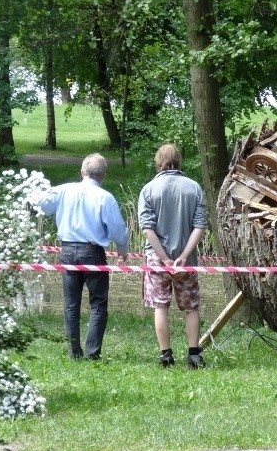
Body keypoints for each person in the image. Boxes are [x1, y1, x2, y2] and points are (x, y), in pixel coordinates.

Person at [37, 153, 129, 360]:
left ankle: (73, 352)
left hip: (67, 251)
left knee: (71, 303)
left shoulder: (64, 190)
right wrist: (123, 248)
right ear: (103, 175)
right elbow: (117, 228)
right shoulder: (105, 197)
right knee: (97, 303)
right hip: (92, 253)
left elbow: (42, 205)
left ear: (82, 172)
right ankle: (92, 353)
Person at [138, 144, 208, 369]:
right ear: (179, 161)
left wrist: (164, 258)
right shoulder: (194, 188)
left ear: (158, 163)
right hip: (186, 261)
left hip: (157, 260)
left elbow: (147, 228)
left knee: (161, 307)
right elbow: (200, 225)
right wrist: (184, 255)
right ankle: (194, 355)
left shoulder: (148, 189)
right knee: (191, 307)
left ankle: (166, 355)